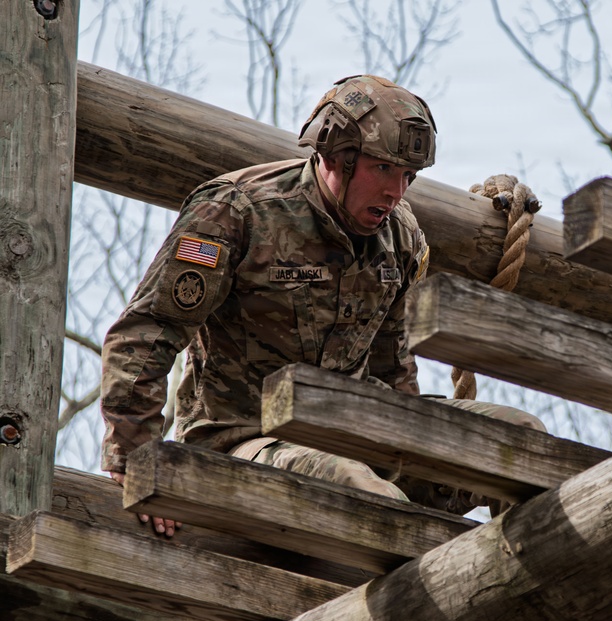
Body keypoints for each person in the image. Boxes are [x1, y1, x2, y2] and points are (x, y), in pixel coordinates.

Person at [100, 74, 544, 538]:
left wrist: (420, 455)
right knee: (367, 493)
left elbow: (393, 368)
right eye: (383, 169)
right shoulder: (238, 211)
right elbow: (145, 334)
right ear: (336, 155)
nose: (396, 191)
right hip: (245, 439)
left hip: (360, 432)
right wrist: (140, 462)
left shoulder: (401, 237)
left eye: (408, 176)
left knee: (523, 440)